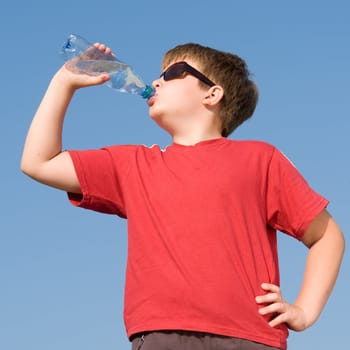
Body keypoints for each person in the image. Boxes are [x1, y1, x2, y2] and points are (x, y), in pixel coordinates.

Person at [21, 41, 345, 350]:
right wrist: (63, 82)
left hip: (250, 336)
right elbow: (39, 162)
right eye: (158, 75)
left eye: (173, 73)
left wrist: (304, 310)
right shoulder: (135, 165)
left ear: (212, 94)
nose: (155, 82)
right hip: (162, 335)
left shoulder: (260, 159)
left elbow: (326, 236)